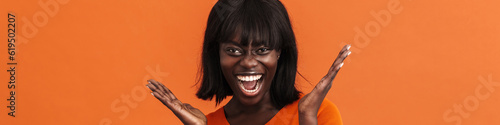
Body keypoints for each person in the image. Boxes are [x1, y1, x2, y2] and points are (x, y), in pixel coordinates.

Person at [146, 0, 351, 124]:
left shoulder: (319, 114)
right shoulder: (208, 123)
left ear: (279, 52)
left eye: (262, 50)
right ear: (216, 54)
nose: (248, 62)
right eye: (234, 50)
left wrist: (306, 120)